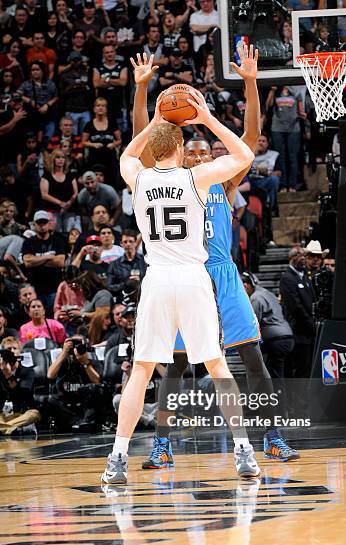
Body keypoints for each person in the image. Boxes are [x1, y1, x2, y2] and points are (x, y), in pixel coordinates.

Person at [132, 50, 299, 471]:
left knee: (253, 357)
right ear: (183, 154)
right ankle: (162, 444)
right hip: (187, 277)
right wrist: (141, 92)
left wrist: (250, 82)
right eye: (196, 151)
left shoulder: (220, 184)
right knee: (175, 367)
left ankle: (272, 436)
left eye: (209, 152)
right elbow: (142, 139)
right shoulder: (173, 180)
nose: (203, 156)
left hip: (222, 277)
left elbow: (251, 135)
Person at [101, 69, 261, 486]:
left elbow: (126, 155)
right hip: (192, 278)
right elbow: (244, 154)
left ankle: (117, 459)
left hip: (156, 279)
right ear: (181, 146)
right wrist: (206, 117)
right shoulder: (196, 177)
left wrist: (157, 118)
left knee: (140, 370)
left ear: (156, 145)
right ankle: (243, 451)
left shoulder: (138, 177)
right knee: (217, 365)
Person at [241, 272, 294, 379]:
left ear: (245, 286)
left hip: (275, 340)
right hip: (288, 337)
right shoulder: (267, 293)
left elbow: (253, 323)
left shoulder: (255, 298)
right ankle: (284, 394)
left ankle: (277, 395)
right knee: (282, 374)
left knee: (273, 376)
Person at [47, 334, 103, 432]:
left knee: (96, 390)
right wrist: (63, 353)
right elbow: (50, 375)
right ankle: (76, 422)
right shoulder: (63, 362)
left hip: (85, 404)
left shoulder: (91, 361)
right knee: (52, 399)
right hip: (67, 403)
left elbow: (97, 381)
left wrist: (85, 363)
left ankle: (83, 421)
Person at [279, 246, 316, 378]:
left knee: (307, 368)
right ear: (292, 258)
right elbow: (295, 307)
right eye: (300, 255)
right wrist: (310, 324)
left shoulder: (305, 276)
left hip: (308, 332)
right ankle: (296, 398)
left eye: (305, 256)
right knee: (298, 370)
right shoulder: (287, 278)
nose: (304, 259)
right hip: (297, 332)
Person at [0, 336, 39, 435]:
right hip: (4, 414)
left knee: (34, 414)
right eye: (8, 349)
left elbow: (22, 396)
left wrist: (9, 376)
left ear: (20, 352)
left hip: (23, 413)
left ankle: (4, 428)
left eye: (14, 348)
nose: (12, 351)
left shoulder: (27, 371)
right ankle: (11, 429)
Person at [40, 148, 80, 232]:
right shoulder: (47, 176)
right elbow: (44, 195)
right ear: (53, 159)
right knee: (56, 233)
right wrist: (60, 203)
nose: (60, 160)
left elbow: (75, 192)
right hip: (52, 210)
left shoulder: (70, 175)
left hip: (69, 209)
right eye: (58, 157)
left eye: (63, 157)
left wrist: (67, 204)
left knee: (70, 233)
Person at [107, 229, 146, 297]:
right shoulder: (114, 264)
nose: (128, 244)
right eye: (125, 242)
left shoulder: (145, 261)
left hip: (144, 296)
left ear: (136, 243)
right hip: (123, 299)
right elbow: (109, 286)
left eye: (131, 241)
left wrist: (139, 282)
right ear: (121, 244)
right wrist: (126, 284)